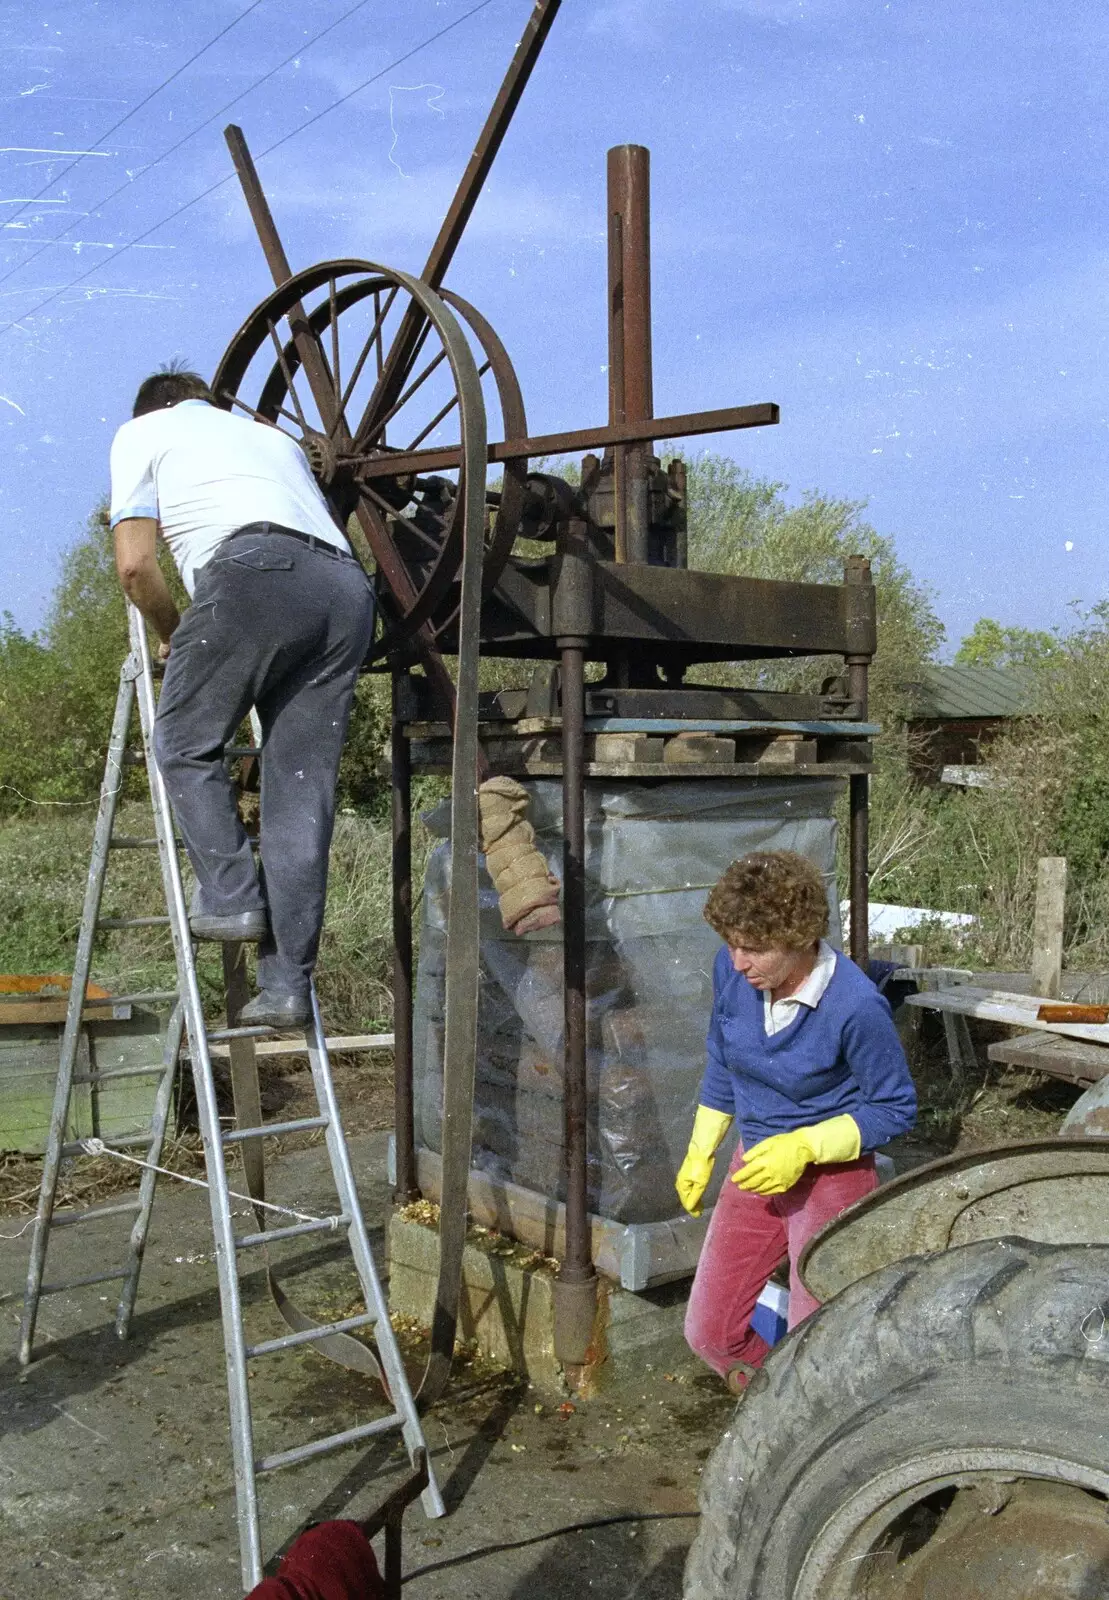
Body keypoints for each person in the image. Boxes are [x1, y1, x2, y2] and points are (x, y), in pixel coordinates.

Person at [109, 365, 375, 1028]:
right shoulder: (271, 438)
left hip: (255, 572)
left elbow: (135, 566)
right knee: (298, 795)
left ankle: (228, 896)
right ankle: (287, 987)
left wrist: (174, 634)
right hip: (345, 592)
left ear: (156, 406)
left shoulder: (144, 429)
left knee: (182, 741)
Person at [677, 849, 917, 1394]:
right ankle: (773, 1411)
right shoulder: (734, 974)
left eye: (755, 948)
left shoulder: (854, 1006)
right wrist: (702, 1149)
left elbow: (895, 1108)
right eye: (732, 944)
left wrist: (806, 1147)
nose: (738, 962)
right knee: (710, 1331)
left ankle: (820, 1432)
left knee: (818, 1344)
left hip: (832, 1179)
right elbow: (724, 1054)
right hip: (757, 1161)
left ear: (801, 937)